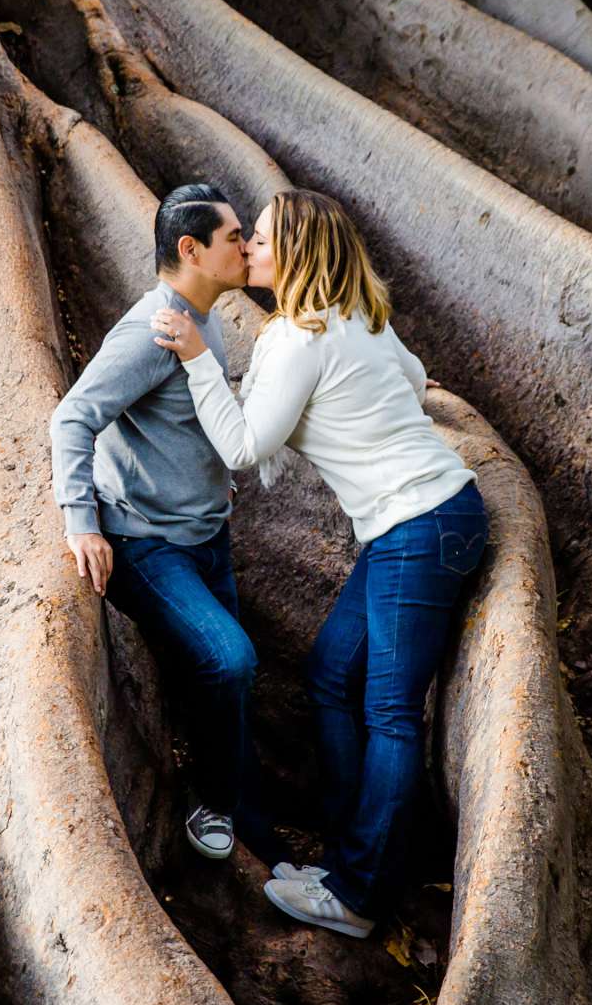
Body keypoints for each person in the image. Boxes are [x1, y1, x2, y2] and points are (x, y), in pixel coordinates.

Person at [152, 188, 486, 940]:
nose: (250, 251)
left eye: (263, 240)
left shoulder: (301, 340)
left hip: (418, 527)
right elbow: (412, 377)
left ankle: (361, 896)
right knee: (333, 674)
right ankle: (345, 860)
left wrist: (203, 361)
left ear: (297, 253)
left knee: (391, 713)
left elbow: (243, 447)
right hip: (428, 522)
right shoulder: (358, 317)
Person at [49, 183, 258, 862]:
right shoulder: (152, 331)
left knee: (225, 674)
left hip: (207, 535)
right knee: (229, 660)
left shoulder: (204, 318)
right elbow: (73, 417)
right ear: (192, 249)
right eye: (235, 237)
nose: (248, 246)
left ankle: (243, 800)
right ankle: (212, 804)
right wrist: (83, 522)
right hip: (147, 544)